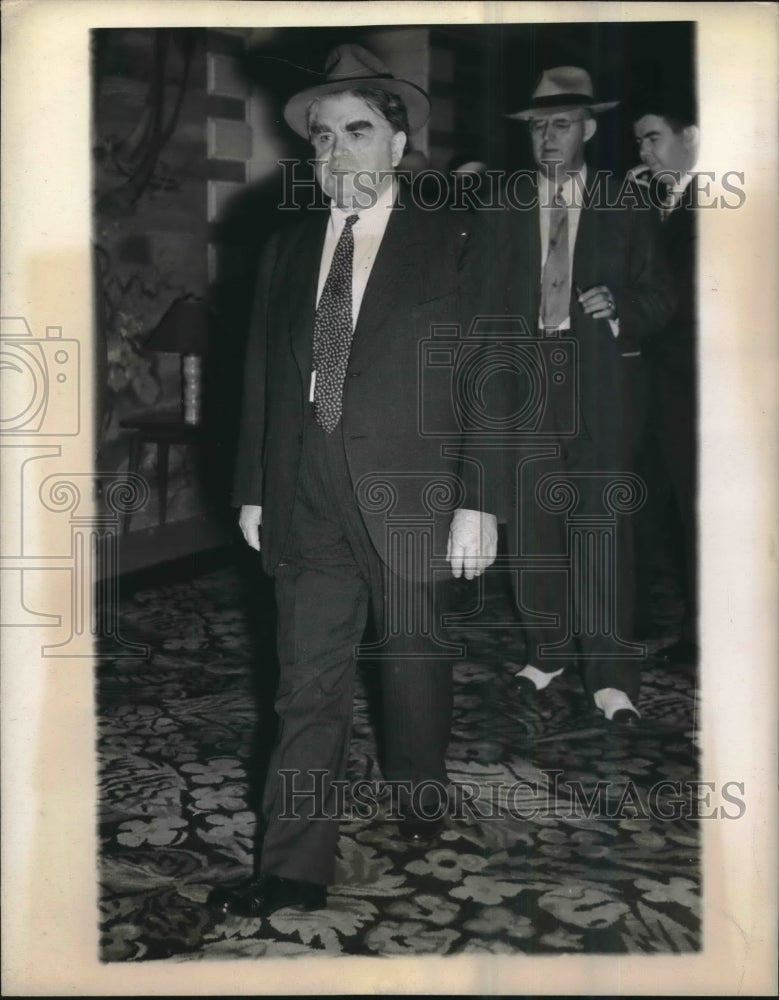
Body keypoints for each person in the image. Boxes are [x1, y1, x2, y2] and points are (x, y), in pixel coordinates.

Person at [207, 44, 491, 921]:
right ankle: (292, 864)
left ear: (398, 144)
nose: (337, 155)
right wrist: (256, 484)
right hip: (305, 489)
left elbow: (495, 376)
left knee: (412, 661)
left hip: (417, 487)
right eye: (323, 138)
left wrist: (480, 501)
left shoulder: (457, 238)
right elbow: (260, 372)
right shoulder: (287, 247)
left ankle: (417, 790)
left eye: (358, 132)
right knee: (307, 680)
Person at [468, 66, 675, 727]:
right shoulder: (502, 204)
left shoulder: (624, 200)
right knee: (530, 527)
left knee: (599, 529)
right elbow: (477, 304)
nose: (547, 138)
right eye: (537, 127)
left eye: (560, 125)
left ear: (587, 128)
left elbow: (661, 296)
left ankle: (610, 674)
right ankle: (547, 649)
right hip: (524, 379)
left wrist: (619, 307)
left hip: (602, 385)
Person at [630, 95, 699, 665]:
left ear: (691, 137)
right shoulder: (669, 203)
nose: (643, 152)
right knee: (659, 504)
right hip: (662, 385)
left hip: (695, 387)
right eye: (640, 142)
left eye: (653, 138)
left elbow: (677, 300)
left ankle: (705, 635)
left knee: (698, 512)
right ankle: (651, 618)